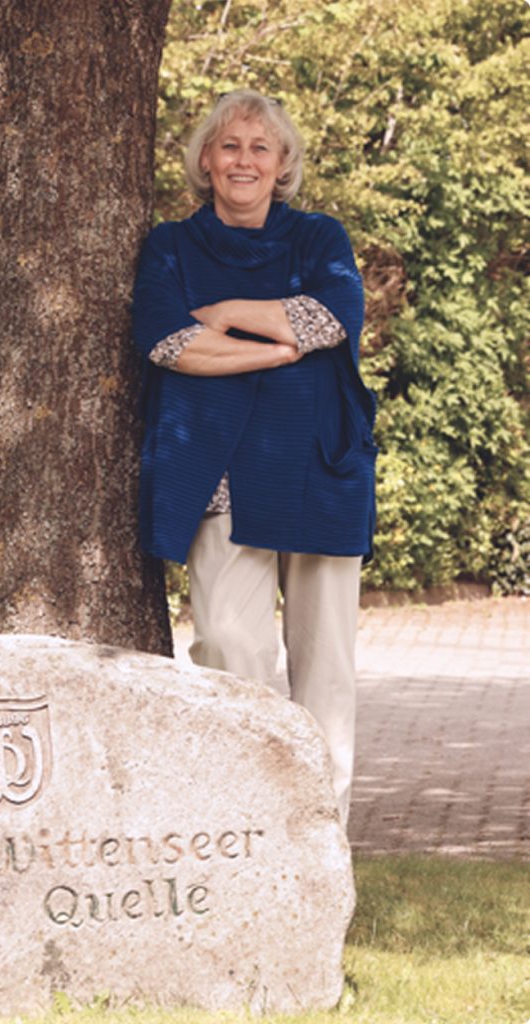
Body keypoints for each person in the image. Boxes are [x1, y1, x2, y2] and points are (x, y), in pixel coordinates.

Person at [132, 90, 375, 826]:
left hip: (320, 470)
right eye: (230, 146)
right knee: (230, 649)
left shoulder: (320, 238)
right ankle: (246, 828)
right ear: (206, 160)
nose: (245, 160)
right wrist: (279, 349)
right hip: (216, 472)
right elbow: (170, 343)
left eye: (260, 148)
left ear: (282, 164)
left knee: (326, 665)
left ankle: (322, 837)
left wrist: (230, 315)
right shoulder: (170, 246)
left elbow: (333, 316)